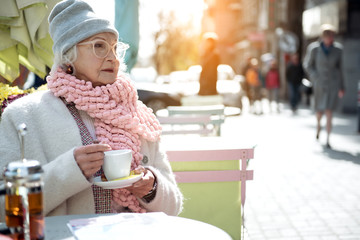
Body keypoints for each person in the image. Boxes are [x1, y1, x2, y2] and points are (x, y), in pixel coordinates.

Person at [0, 0, 183, 219]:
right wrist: (68, 171)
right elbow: (5, 209)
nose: (112, 57)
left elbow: (174, 206)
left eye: (115, 47)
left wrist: (152, 187)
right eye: (98, 46)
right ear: (68, 55)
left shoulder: (137, 115)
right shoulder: (24, 116)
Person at [303, 23, 345, 148]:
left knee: (329, 112)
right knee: (319, 111)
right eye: (328, 36)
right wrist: (315, 77)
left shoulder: (338, 49)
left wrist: (342, 87)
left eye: (332, 36)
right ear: (323, 37)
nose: (330, 39)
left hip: (333, 84)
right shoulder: (314, 49)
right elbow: (307, 65)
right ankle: (318, 127)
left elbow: (341, 68)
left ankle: (327, 138)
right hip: (319, 85)